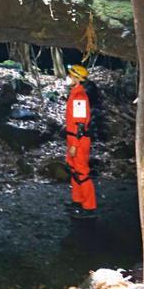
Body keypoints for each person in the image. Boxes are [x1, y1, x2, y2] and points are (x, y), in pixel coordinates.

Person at [65, 63, 97, 218]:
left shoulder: (79, 97)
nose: (68, 77)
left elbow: (79, 124)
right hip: (73, 138)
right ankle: (78, 200)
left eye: (70, 75)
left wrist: (75, 145)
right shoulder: (75, 93)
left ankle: (89, 206)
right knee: (74, 170)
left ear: (77, 78)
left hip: (79, 140)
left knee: (82, 172)